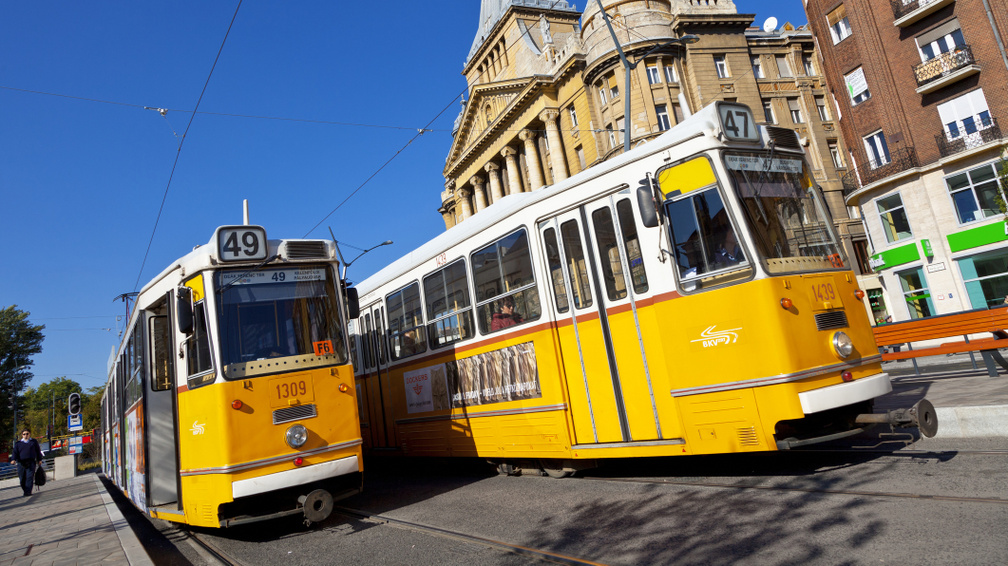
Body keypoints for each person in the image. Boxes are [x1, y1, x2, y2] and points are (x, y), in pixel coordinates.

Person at [10, 428, 44, 497]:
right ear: (22, 435)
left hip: (31, 462)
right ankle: (25, 490)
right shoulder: (18, 444)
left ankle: (28, 492)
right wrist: (13, 459)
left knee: (29, 477)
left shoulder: (33, 442)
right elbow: (15, 453)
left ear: (29, 434)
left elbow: (38, 451)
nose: (26, 435)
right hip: (21, 463)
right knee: (22, 479)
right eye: (24, 434)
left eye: (27, 434)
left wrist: (39, 460)